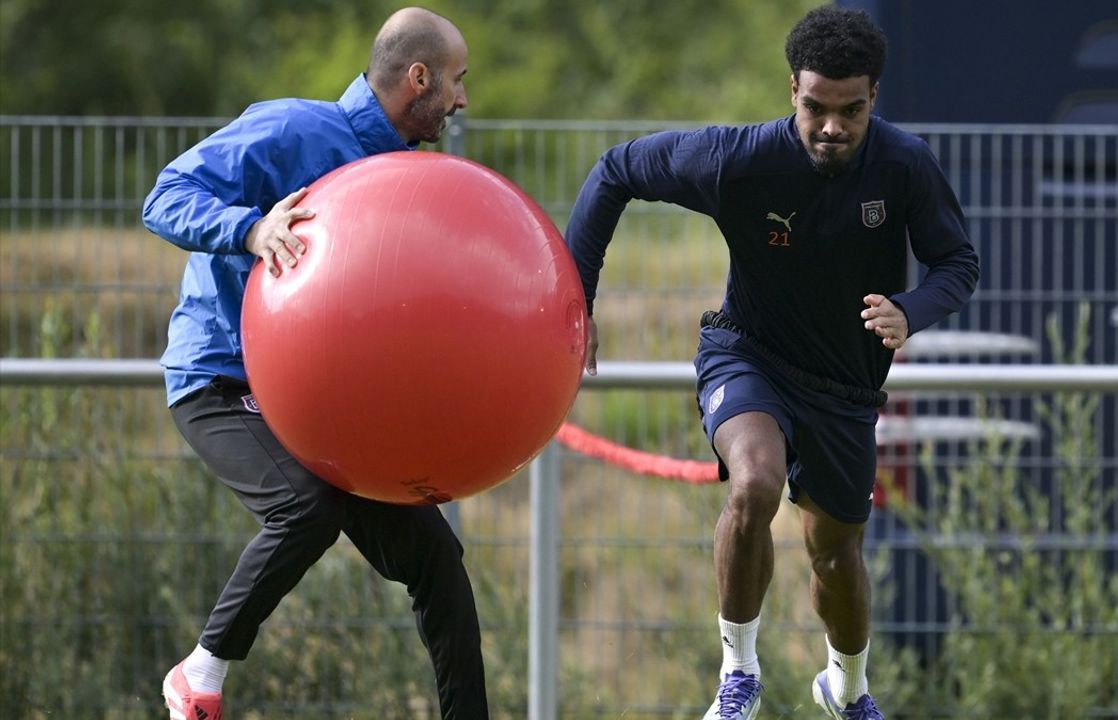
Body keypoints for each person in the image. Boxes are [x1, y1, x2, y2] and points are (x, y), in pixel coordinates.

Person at [564, 6, 979, 719]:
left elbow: (958, 263)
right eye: (815, 107)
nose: (830, 127)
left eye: (849, 112)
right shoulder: (738, 160)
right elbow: (615, 171)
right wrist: (578, 303)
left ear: (873, 98)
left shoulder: (906, 164)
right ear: (792, 90)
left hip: (846, 387)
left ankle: (846, 688)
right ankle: (739, 675)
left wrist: (912, 309)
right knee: (752, 484)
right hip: (747, 355)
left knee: (835, 557)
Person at [141, 8, 488, 720]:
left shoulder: (406, 176)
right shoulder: (291, 129)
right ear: (417, 79)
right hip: (222, 380)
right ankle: (199, 675)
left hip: (324, 406)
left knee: (439, 563)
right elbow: (164, 197)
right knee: (306, 504)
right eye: (456, 81)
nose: (463, 100)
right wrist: (251, 226)